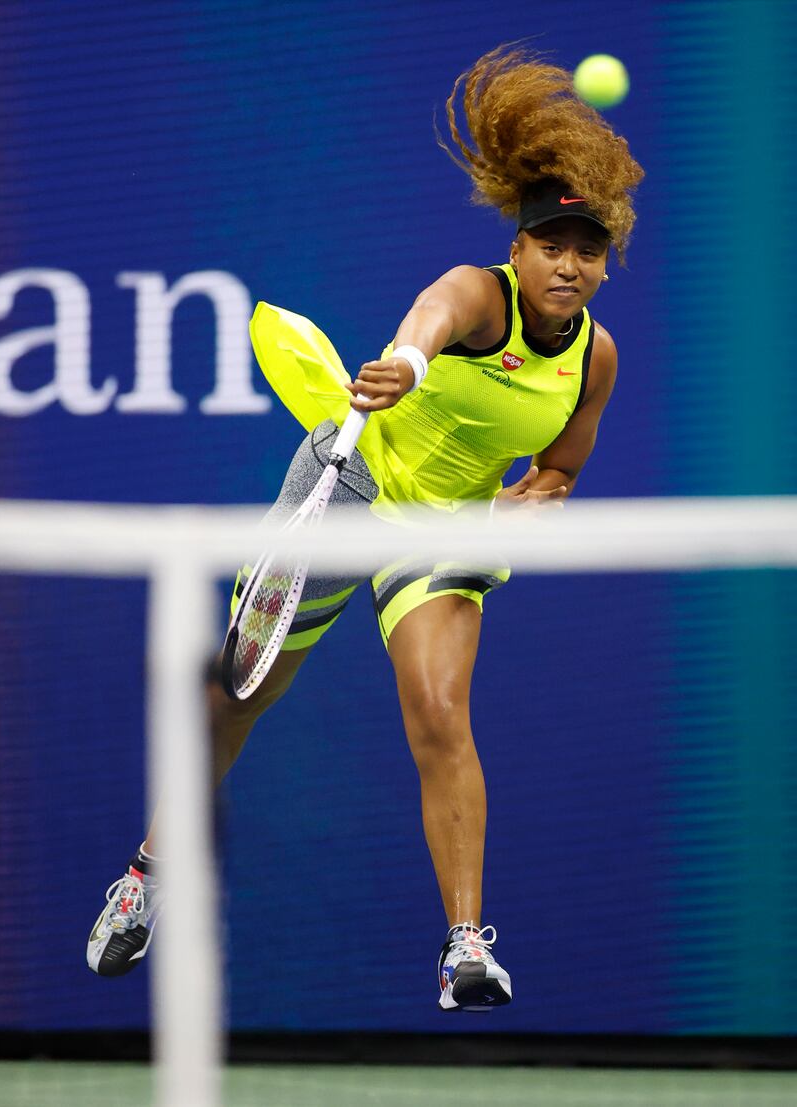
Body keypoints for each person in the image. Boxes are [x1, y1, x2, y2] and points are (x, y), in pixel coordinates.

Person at [87, 45, 643, 1011]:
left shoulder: (594, 358)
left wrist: (542, 494)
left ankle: (466, 947)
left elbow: (564, 461)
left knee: (439, 715)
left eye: (586, 250)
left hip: (446, 526)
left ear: (604, 263)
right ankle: (146, 872)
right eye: (551, 243)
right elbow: (426, 325)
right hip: (349, 485)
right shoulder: (478, 290)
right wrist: (407, 369)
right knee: (237, 697)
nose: (568, 262)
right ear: (519, 249)